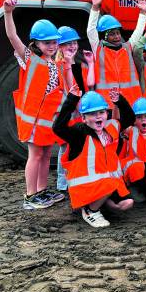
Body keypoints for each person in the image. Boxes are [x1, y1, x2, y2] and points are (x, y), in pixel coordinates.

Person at [3, 0, 65, 210]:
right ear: (36, 44)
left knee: (46, 154)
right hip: (33, 119)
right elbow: (12, 36)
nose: (52, 46)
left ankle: (41, 190)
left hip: (48, 119)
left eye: (54, 42)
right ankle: (30, 196)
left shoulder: (55, 63)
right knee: (36, 155)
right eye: (47, 43)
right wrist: (8, 13)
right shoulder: (28, 58)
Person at [52, 88, 134, 228]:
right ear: (83, 118)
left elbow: (130, 118)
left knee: (127, 204)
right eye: (92, 114)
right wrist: (71, 100)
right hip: (84, 189)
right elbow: (58, 128)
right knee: (110, 185)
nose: (98, 117)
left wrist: (119, 101)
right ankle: (90, 211)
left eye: (101, 112)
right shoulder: (79, 133)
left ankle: (102, 205)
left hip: (104, 186)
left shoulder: (112, 126)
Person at [87, 0, 146, 105]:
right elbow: (90, 30)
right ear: (104, 36)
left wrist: (143, 12)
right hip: (107, 103)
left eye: (118, 33)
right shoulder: (98, 49)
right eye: (112, 34)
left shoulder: (127, 47)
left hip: (130, 101)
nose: (117, 36)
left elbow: (138, 32)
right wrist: (95, 7)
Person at [55, 26, 96, 193]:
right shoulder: (58, 65)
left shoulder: (80, 65)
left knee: (79, 145)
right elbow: (69, 87)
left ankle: (76, 177)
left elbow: (91, 84)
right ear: (59, 46)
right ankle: (62, 183)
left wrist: (92, 63)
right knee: (65, 146)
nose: (72, 46)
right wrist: (68, 62)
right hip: (69, 111)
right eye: (67, 44)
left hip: (81, 111)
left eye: (73, 43)